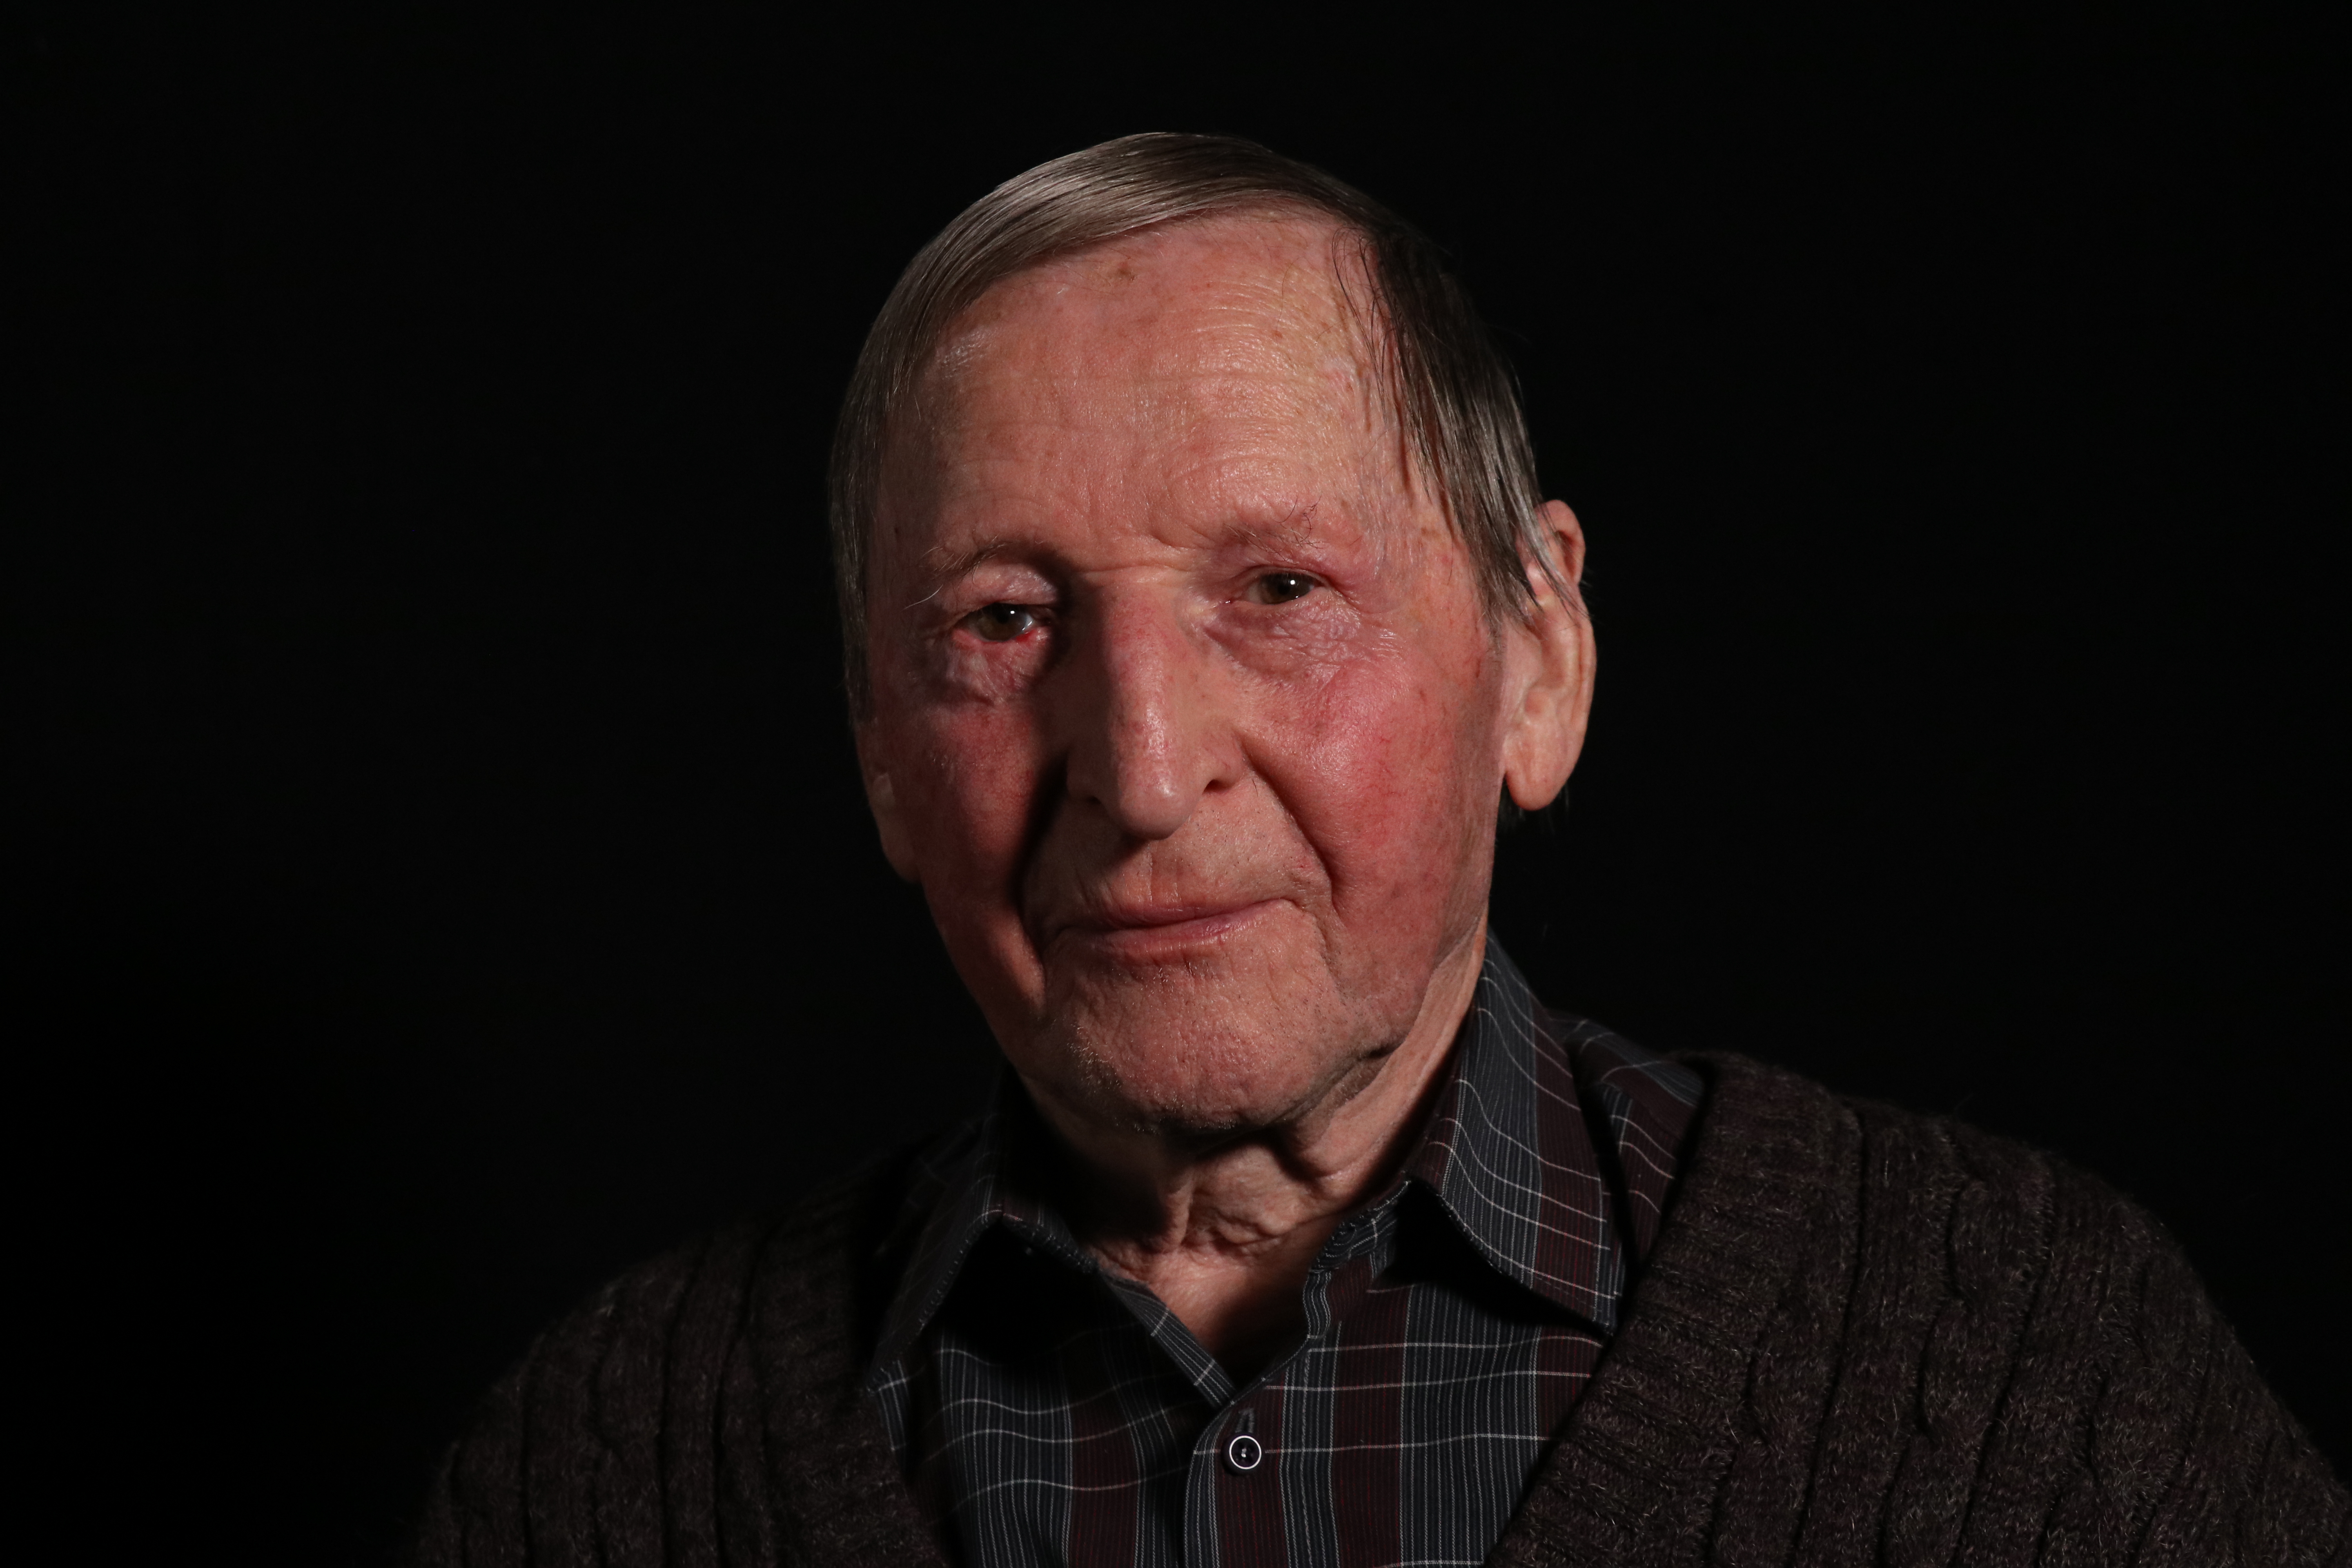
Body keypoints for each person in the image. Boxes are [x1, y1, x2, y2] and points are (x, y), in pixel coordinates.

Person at [408, 134, 2346, 1567]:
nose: (1143, 771)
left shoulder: (2013, 1365)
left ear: (1540, 659)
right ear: (881, 761)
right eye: (1006, 620)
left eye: (1277, 588)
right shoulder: (611, 1467)